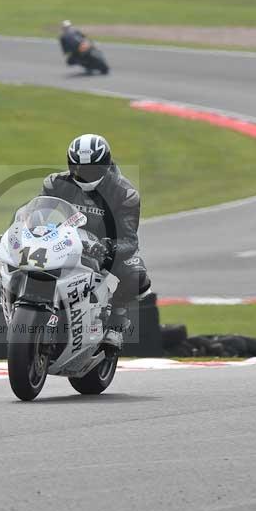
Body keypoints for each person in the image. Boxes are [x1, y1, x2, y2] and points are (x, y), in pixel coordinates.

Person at [40, 133, 152, 350]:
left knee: (137, 276)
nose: (84, 175)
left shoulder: (124, 193)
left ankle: (116, 322)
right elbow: (37, 216)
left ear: (106, 165)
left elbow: (129, 239)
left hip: (103, 247)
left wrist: (109, 248)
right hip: (64, 240)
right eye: (78, 169)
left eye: (92, 170)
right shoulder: (56, 184)